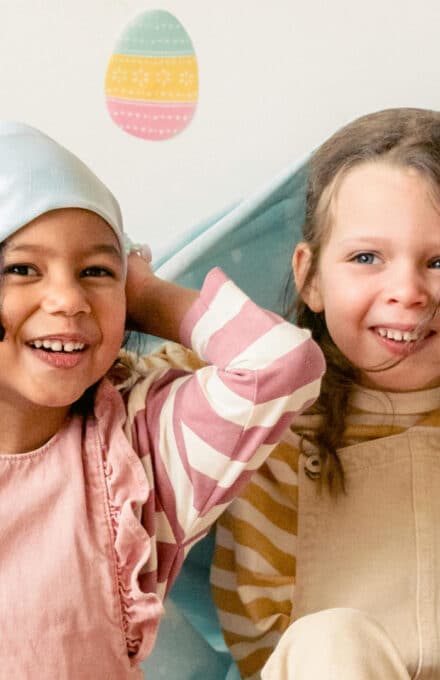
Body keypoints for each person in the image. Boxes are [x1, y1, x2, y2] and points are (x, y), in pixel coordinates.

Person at [0, 121, 325, 679]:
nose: (68, 298)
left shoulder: (138, 452)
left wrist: (145, 294)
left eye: (96, 271)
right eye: (22, 269)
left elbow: (279, 365)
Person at [209, 107, 440, 679]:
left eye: (439, 261)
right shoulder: (267, 415)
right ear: (310, 277)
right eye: (367, 258)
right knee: (332, 639)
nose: (408, 292)